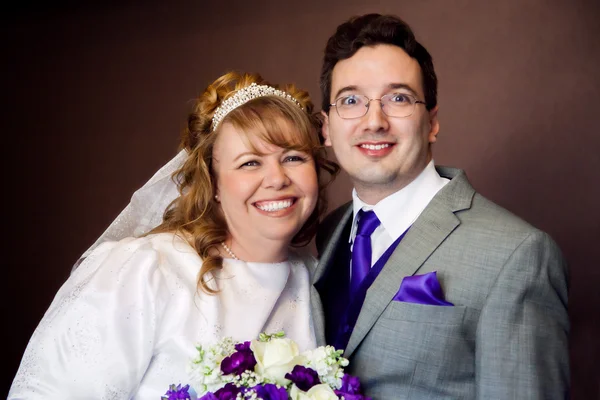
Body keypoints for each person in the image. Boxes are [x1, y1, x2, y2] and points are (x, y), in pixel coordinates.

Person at [9, 71, 338, 399]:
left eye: (294, 157)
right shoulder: (148, 270)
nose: (277, 178)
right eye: (250, 163)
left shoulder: (314, 279)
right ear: (214, 183)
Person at [310, 14, 570, 399]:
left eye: (398, 98)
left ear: (432, 122)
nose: (374, 121)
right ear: (327, 129)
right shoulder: (327, 233)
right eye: (351, 100)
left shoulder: (519, 254)